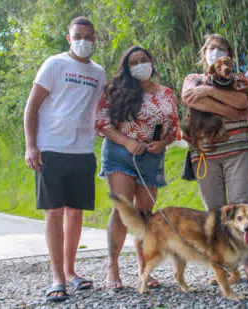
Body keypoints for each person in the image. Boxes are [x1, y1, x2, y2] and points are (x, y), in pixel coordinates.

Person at [23, 16, 105, 301]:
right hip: (51, 149)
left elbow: (99, 109)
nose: (83, 40)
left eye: (88, 36)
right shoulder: (54, 64)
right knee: (54, 212)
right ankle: (57, 277)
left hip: (83, 151)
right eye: (78, 36)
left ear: (95, 39)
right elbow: (32, 106)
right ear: (69, 38)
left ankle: (71, 271)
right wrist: (31, 145)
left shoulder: (98, 72)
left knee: (76, 212)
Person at [181, 34, 248, 285]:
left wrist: (207, 93)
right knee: (216, 214)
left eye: (221, 49)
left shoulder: (238, 77)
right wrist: (229, 108)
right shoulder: (192, 79)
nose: (217, 53)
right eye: (212, 48)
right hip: (205, 155)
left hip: (238, 151)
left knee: (243, 209)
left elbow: (241, 100)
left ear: (230, 54)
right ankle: (225, 267)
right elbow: (189, 97)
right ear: (204, 53)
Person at [96, 46, 181, 290]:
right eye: (134, 62)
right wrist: (127, 142)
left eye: (144, 60)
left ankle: (144, 266)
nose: (140, 65)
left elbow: (174, 128)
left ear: (152, 63)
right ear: (126, 67)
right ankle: (113, 266)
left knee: (143, 215)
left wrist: (162, 143)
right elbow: (101, 122)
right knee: (123, 210)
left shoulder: (166, 93)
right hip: (119, 152)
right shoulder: (114, 91)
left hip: (151, 156)